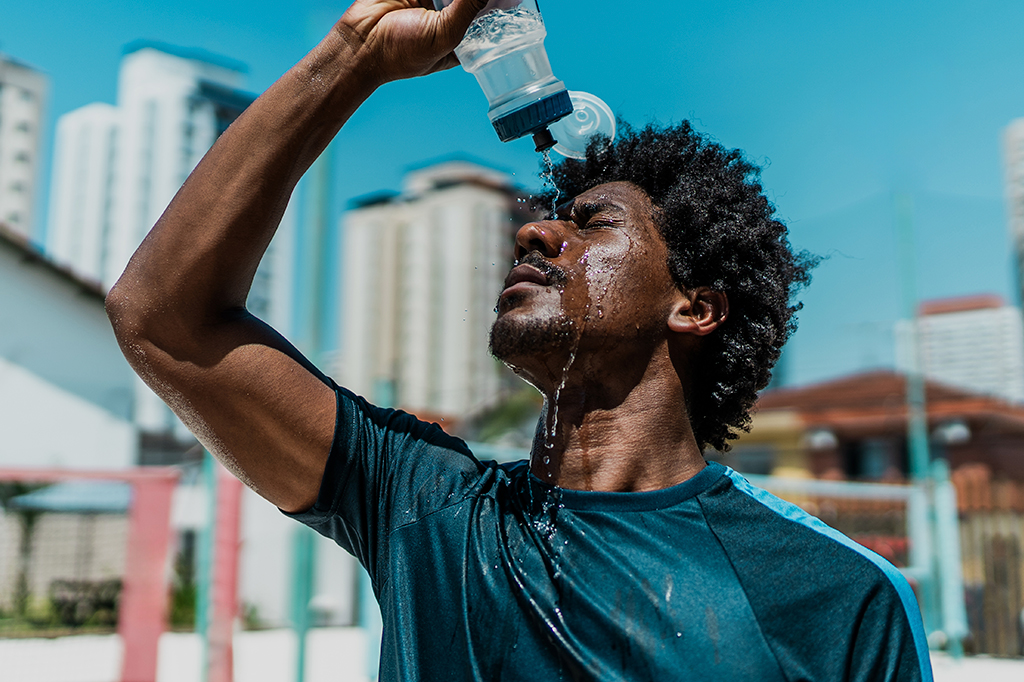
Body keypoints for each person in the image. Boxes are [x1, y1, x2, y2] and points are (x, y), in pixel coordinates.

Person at [106, 0, 934, 679]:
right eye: (545, 218)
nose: (536, 232)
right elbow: (164, 319)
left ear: (695, 307)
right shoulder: (427, 509)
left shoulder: (836, 595)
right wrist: (356, 54)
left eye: (593, 223)